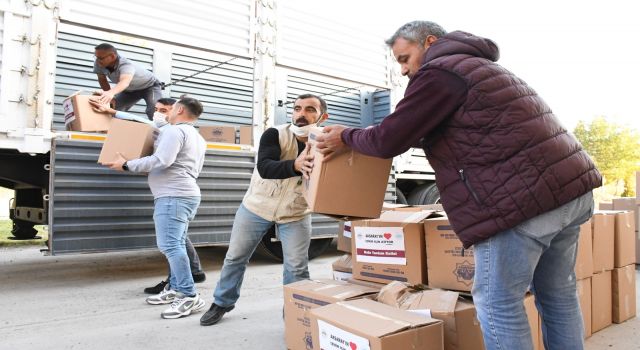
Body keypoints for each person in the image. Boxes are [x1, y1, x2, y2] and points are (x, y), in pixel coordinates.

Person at [313, 21, 601, 350]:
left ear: (430, 42)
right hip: (570, 191)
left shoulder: (440, 72)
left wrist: (346, 136)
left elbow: (389, 139)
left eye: (405, 59)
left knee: (497, 304)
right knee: (557, 296)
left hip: (522, 203)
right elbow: (458, 131)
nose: (404, 71)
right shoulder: (481, 68)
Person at [199, 94, 327, 326]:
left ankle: (295, 312)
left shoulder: (326, 142)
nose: (301, 114)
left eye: (310, 109)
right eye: (297, 108)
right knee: (235, 257)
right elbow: (265, 167)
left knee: (297, 267)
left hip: (296, 212)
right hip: (257, 207)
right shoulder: (275, 134)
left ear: (322, 116)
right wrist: (295, 165)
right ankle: (222, 302)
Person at [102, 96, 208, 319]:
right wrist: (115, 113)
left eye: (165, 110)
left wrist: (126, 165)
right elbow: (150, 126)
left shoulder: (174, 131)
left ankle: (189, 296)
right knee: (176, 244)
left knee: (170, 246)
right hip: (183, 195)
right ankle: (176, 288)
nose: (159, 113)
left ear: (178, 109)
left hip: (173, 196)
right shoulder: (196, 135)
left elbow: (162, 160)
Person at [93, 43, 162, 120]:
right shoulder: (99, 63)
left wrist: (111, 93)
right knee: (113, 107)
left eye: (101, 58)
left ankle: (161, 130)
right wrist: (110, 96)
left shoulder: (125, 64)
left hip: (150, 86)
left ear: (112, 56)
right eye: (96, 57)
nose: (98, 61)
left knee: (154, 109)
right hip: (129, 90)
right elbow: (102, 80)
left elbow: (124, 82)